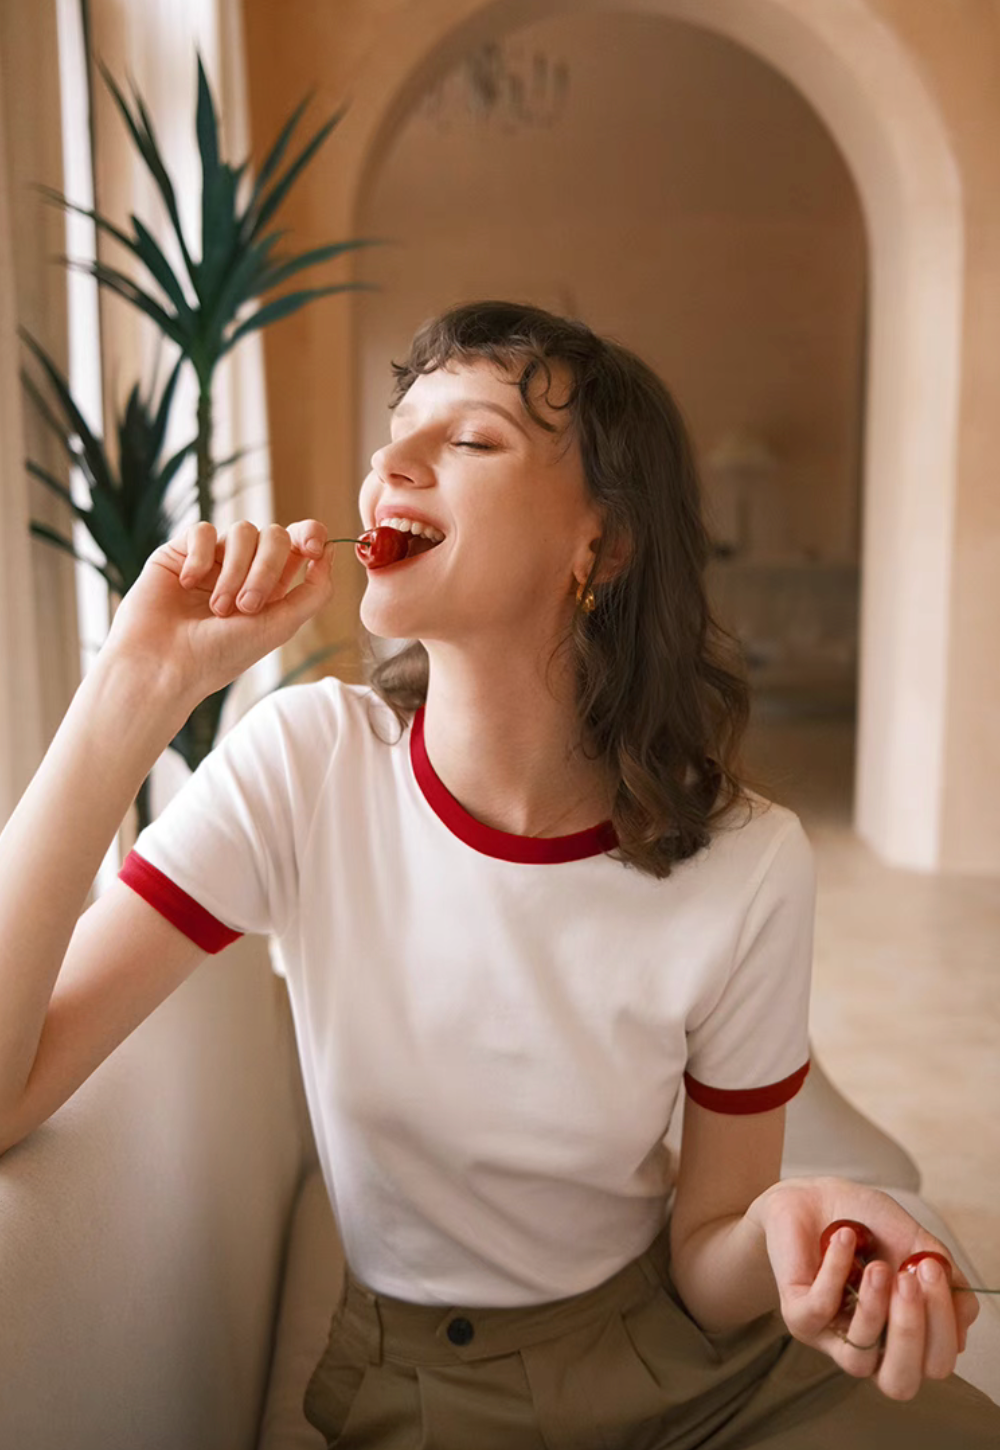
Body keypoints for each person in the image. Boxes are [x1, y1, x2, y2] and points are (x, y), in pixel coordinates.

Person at [0, 300, 996, 1448]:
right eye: (394, 433)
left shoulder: (752, 860)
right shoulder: (306, 764)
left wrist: (789, 1229)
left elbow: (709, 1250)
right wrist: (132, 685)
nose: (389, 465)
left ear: (603, 545)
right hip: (431, 1387)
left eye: (468, 440)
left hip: (694, 1360)